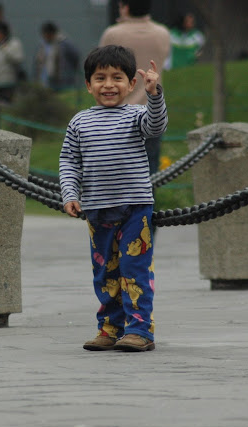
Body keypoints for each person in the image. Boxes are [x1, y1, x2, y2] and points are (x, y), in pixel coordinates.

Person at [58, 45, 168, 352]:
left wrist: (154, 94)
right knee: (105, 272)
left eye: (117, 78)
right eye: (100, 78)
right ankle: (109, 328)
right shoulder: (79, 122)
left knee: (134, 269)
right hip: (97, 210)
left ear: (131, 83)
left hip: (135, 208)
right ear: (88, 84)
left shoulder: (136, 115)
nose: (108, 85)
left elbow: (156, 126)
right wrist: (70, 193)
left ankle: (139, 330)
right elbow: (69, 161)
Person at [99, 0, 170, 177]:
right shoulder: (162, 33)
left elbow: (100, 66)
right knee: (150, 173)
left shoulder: (113, 34)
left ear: (126, 7)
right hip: (152, 111)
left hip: (117, 113)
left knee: (116, 174)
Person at [33, 21, 80, 91]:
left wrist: (70, 71)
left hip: (61, 80)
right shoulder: (42, 46)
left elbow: (75, 57)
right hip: (45, 79)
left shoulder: (64, 44)